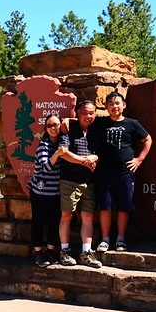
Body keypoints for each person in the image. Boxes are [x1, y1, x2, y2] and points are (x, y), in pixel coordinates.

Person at [94, 91, 152, 253]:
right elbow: (84, 120)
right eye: (111, 104)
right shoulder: (101, 123)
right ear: (106, 106)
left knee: (123, 206)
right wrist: (66, 123)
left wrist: (139, 159)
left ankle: (120, 240)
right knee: (105, 206)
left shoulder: (132, 124)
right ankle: (105, 240)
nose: (114, 107)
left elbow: (147, 139)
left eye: (117, 103)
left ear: (124, 105)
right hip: (104, 172)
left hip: (124, 173)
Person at [56, 100, 103, 268]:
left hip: (89, 181)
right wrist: (85, 160)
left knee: (88, 216)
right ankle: (65, 252)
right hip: (69, 179)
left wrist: (94, 158)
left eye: (91, 113)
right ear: (77, 113)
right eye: (84, 112)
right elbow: (64, 153)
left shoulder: (97, 130)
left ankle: (86, 252)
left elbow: (100, 152)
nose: (88, 116)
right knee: (66, 215)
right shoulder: (68, 129)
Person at [27, 114, 65, 267]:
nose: (53, 128)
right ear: (46, 129)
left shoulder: (63, 143)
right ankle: (38, 252)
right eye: (50, 126)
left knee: (54, 223)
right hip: (40, 193)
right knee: (38, 222)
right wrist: (57, 154)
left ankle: (50, 250)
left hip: (55, 193)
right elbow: (45, 168)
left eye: (56, 124)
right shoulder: (44, 145)